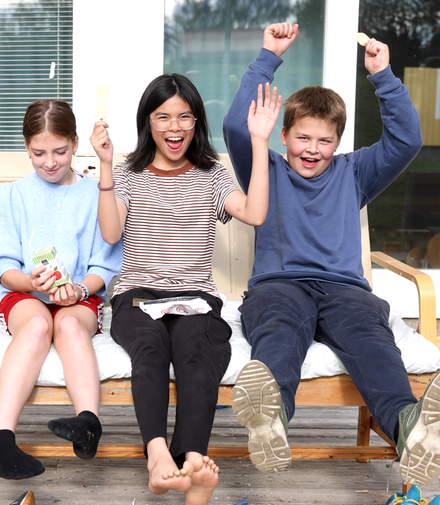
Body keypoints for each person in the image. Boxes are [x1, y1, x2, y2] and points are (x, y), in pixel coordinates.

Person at [222, 23, 440, 486]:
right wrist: (268, 56)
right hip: (280, 286)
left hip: (345, 290)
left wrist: (383, 77)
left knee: (374, 343)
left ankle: (409, 428)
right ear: (283, 137)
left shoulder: (355, 171)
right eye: (302, 138)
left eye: (324, 141)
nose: (312, 151)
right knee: (278, 333)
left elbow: (407, 141)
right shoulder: (266, 165)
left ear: (338, 142)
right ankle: (270, 417)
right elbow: (237, 127)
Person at [90, 72, 278, 504]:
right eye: (163, 117)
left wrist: (261, 141)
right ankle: (158, 456)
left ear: (196, 122)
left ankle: (193, 460)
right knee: (151, 348)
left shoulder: (213, 174)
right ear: (148, 121)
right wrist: (104, 166)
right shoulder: (129, 174)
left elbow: (254, 213)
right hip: (138, 296)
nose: (174, 128)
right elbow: (109, 231)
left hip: (195, 297)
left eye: (185, 117)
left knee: (198, 346)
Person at [0, 100, 123, 479]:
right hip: (25, 294)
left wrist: (78, 290)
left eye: (59, 151)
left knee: (71, 327)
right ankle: (1, 441)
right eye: (38, 153)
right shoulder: (12, 196)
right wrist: (30, 283)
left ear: (75, 144)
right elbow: (3, 266)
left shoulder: (94, 195)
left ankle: (88, 423)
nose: (49, 161)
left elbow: (104, 266)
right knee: (39, 326)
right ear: (26, 148)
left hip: (79, 296)